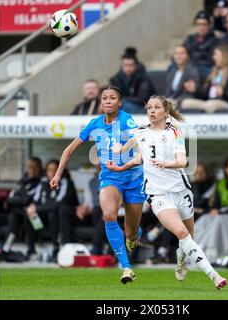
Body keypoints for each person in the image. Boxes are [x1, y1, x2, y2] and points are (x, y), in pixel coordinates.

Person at [107, 95, 228, 290]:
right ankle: (215, 276)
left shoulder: (175, 133)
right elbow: (136, 155)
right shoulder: (140, 133)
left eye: (156, 107)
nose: (152, 111)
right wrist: (119, 158)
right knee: (181, 233)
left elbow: (183, 161)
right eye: (149, 108)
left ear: (165, 112)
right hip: (158, 195)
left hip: (181, 192)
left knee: (187, 237)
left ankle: (181, 258)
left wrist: (167, 164)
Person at [50, 86, 145, 284]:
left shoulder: (126, 119)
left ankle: (134, 235)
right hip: (110, 178)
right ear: (101, 103)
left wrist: (125, 147)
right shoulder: (94, 124)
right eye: (104, 98)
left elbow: (139, 138)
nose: (108, 101)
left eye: (112, 98)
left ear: (120, 103)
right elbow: (69, 150)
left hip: (134, 179)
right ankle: (126, 267)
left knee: (131, 232)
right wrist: (58, 175)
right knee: (108, 215)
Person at [24, 160, 78, 261]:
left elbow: (57, 204)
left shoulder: (65, 182)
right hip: (42, 219)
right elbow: (36, 201)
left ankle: (55, 248)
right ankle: (31, 249)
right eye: (49, 170)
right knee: (30, 214)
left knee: (52, 214)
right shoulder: (43, 182)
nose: (52, 173)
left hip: (58, 217)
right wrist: (32, 207)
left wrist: (37, 208)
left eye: (55, 170)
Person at [194, 156, 228, 263]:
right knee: (205, 219)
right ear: (226, 169)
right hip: (223, 214)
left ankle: (210, 252)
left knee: (219, 219)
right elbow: (215, 204)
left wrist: (221, 212)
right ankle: (194, 248)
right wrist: (214, 210)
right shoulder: (221, 183)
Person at [182, 44, 228, 113]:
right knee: (185, 103)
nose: (213, 57)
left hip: (227, 102)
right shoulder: (214, 71)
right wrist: (195, 90)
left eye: (216, 54)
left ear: (225, 55)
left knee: (210, 104)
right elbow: (206, 93)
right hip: (209, 101)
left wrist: (223, 92)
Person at [109, 48, 155, 114]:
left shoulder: (143, 78)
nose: (128, 68)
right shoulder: (116, 79)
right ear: (121, 66)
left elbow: (142, 99)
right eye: (125, 65)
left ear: (136, 66)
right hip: (125, 106)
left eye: (130, 65)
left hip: (144, 107)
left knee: (123, 105)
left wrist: (122, 100)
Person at [75, 164, 107, 255]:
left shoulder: (116, 178)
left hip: (114, 209)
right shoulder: (92, 182)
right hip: (98, 210)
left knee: (102, 213)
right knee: (97, 211)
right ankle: (97, 247)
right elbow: (89, 202)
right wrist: (83, 208)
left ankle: (96, 247)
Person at [184, 11, 220, 77]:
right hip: (190, 68)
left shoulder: (216, 41)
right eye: (199, 24)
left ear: (209, 25)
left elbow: (211, 61)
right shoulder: (190, 39)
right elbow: (182, 53)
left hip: (205, 71)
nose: (201, 27)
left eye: (204, 24)